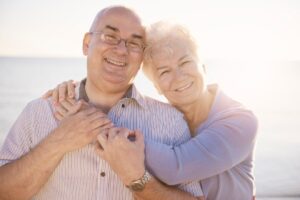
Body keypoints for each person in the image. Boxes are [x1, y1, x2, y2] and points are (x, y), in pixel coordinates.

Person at [0, 6, 204, 200]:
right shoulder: (39, 111)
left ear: (142, 57)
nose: (121, 50)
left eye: (134, 43)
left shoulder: (171, 122)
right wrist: (58, 142)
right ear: (87, 44)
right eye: (110, 36)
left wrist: (138, 179)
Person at [50, 22, 258, 200]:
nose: (179, 77)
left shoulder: (240, 121)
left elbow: (175, 167)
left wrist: (88, 120)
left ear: (203, 66)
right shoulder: (168, 120)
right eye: (164, 71)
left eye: (185, 63)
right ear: (156, 86)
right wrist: (77, 93)